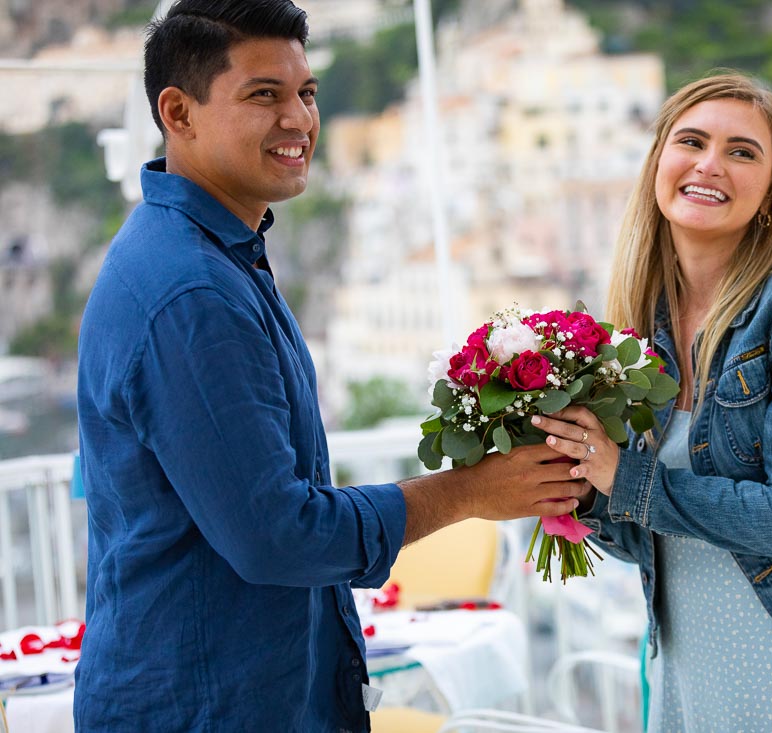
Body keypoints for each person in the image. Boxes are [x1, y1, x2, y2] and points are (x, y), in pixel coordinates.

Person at [74, 1, 583, 731]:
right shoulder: (191, 291)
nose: (299, 119)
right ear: (178, 114)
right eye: (264, 95)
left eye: (306, 93)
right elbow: (277, 534)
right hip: (208, 706)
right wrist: (470, 490)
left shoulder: (213, 255)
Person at [534, 71, 772, 731]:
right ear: (659, 163)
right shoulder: (644, 323)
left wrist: (626, 476)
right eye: (691, 141)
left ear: (771, 194)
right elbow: (660, 534)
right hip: (698, 662)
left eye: (743, 151)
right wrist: (586, 490)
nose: (710, 164)